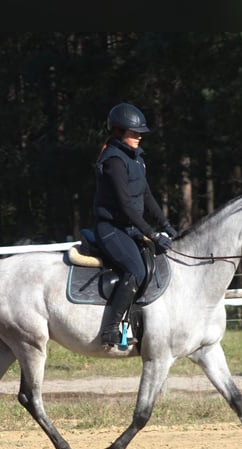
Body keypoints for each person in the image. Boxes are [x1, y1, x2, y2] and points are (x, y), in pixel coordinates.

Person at [93, 102, 179, 347]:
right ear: (119, 131)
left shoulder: (136, 158)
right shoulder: (113, 161)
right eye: (134, 132)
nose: (140, 136)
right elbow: (125, 206)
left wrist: (166, 224)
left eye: (141, 132)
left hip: (129, 228)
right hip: (110, 229)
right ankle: (109, 330)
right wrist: (152, 234)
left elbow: (146, 196)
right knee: (137, 270)